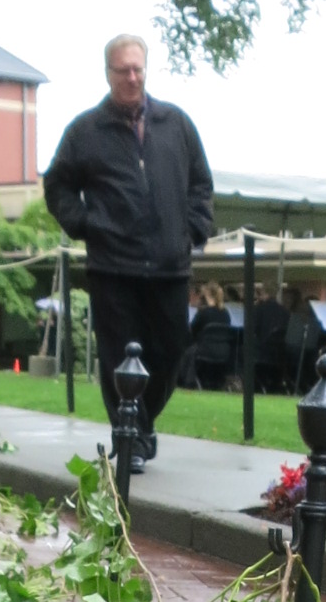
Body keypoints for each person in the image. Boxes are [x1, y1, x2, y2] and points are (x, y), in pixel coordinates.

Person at [44, 32, 215, 463]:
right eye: (123, 70)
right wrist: (87, 225)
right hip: (112, 267)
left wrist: (193, 230)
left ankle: (143, 423)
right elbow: (58, 185)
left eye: (138, 69)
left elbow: (201, 183)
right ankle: (130, 440)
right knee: (119, 358)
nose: (132, 77)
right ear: (108, 73)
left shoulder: (176, 124)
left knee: (171, 350)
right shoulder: (85, 131)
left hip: (170, 266)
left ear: (146, 69)